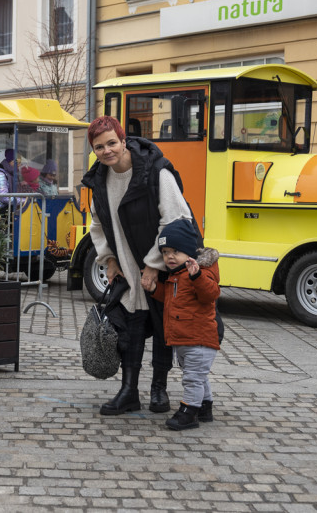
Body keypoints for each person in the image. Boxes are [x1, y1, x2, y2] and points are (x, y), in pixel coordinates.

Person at [83, 115, 194, 416]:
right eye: (99, 147)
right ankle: (129, 391)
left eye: (111, 143)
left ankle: (159, 389)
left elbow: (175, 219)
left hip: (162, 265)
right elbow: (97, 225)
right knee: (130, 327)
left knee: (161, 327)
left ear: (123, 139)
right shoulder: (100, 181)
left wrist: (153, 264)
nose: (107, 151)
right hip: (127, 269)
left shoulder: (155, 172)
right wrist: (108, 259)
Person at [145, 219, 221, 431]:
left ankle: (189, 412)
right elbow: (171, 300)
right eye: (165, 252)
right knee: (199, 378)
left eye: (175, 251)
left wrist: (196, 276)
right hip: (185, 340)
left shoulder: (199, 272)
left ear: (189, 251)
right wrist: (154, 290)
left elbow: (211, 294)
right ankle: (205, 407)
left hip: (199, 340)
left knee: (192, 380)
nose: (169, 256)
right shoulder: (176, 276)